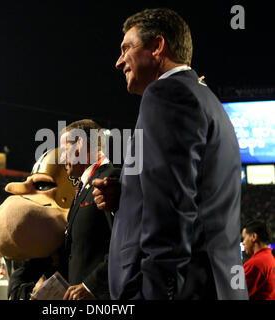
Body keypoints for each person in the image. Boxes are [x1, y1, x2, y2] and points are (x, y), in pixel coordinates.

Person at [92, 8, 248, 300]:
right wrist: (126, 194)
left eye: (127, 48)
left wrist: (156, 293)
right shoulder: (205, 98)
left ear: (157, 47)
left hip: (184, 288)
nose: (118, 62)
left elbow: (172, 209)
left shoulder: (166, 94)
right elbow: (188, 191)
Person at [59, 119, 120, 300]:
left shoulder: (111, 181)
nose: (62, 158)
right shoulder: (84, 186)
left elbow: (124, 243)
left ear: (80, 144)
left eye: (64, 150)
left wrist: (91, 285)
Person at [242, 219, 275, 300]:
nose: (243, 242)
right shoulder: (270, 258)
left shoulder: (256, 263)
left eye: (244, 238)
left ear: (254, 237)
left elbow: (235, 294)